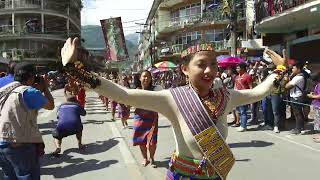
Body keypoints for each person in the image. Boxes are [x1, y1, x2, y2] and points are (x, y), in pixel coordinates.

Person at [61, 38, 285, 180]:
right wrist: (75, 70)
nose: (209, 70)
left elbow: (258, 92)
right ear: (185, 70)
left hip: (216, 175)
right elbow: (124, 95)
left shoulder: (226, 97)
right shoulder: (173, 98)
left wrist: (281, 69)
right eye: (201, 64)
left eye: (214, 65)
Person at [0, 62, 54, 180]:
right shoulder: (28, 91)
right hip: (18, 144)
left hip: (1, 144)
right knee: (27, 176)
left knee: (9, 177)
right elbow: (50, 105)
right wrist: (45, 88)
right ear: (30, 76)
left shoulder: (4, 89)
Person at [133, 70, 161, 168]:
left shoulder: (155, 90)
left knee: (152, 141)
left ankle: (152, 158)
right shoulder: (136, 91)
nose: (146, 78)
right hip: (139, 118)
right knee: (141, 140)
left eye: (148, 77)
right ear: (140, 78)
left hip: (152, 118)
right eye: (144, 76)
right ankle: (145, 158)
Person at [284, 61, 307, 135]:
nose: (292, 70)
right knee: (299, 113)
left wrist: (287, 80)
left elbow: (287, 86)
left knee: (297, 114)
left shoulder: (298, 77)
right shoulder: (299, 76)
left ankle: (298, 129)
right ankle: (301, 128)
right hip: (297, 96)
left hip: (296, 96)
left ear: (298, 69)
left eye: (294, 68)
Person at [234, 63, 253, 132]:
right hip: (237, 96)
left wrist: (251, 97)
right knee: (238, 111)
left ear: (242, 68)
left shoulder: (247, 76)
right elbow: (235, 86)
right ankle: (242, 124)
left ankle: (243, 126)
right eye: (236, 68)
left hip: (244, 96)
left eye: (238, 68)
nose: (237, 69)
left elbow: (251, 87)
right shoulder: (236, 77)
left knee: (243, 111)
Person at [307, 72, 320, 142]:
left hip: (319, 105)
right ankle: (318, 135)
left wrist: (312, 96)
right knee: (317, 121)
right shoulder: (317, 85)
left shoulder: (319, 85)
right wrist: (313, 94)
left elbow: (319, 96)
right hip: (316, 105)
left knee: (319, 121)